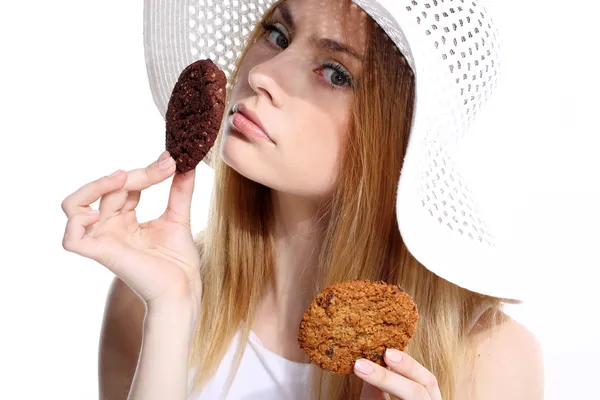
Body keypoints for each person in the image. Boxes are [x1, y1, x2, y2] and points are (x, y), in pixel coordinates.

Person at [61, 0, 544, 399]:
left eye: (335, 73)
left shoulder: (488, 357)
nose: (262, 75)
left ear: (399, 137)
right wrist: (171, 309)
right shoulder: (146, 299)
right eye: (276, 34)